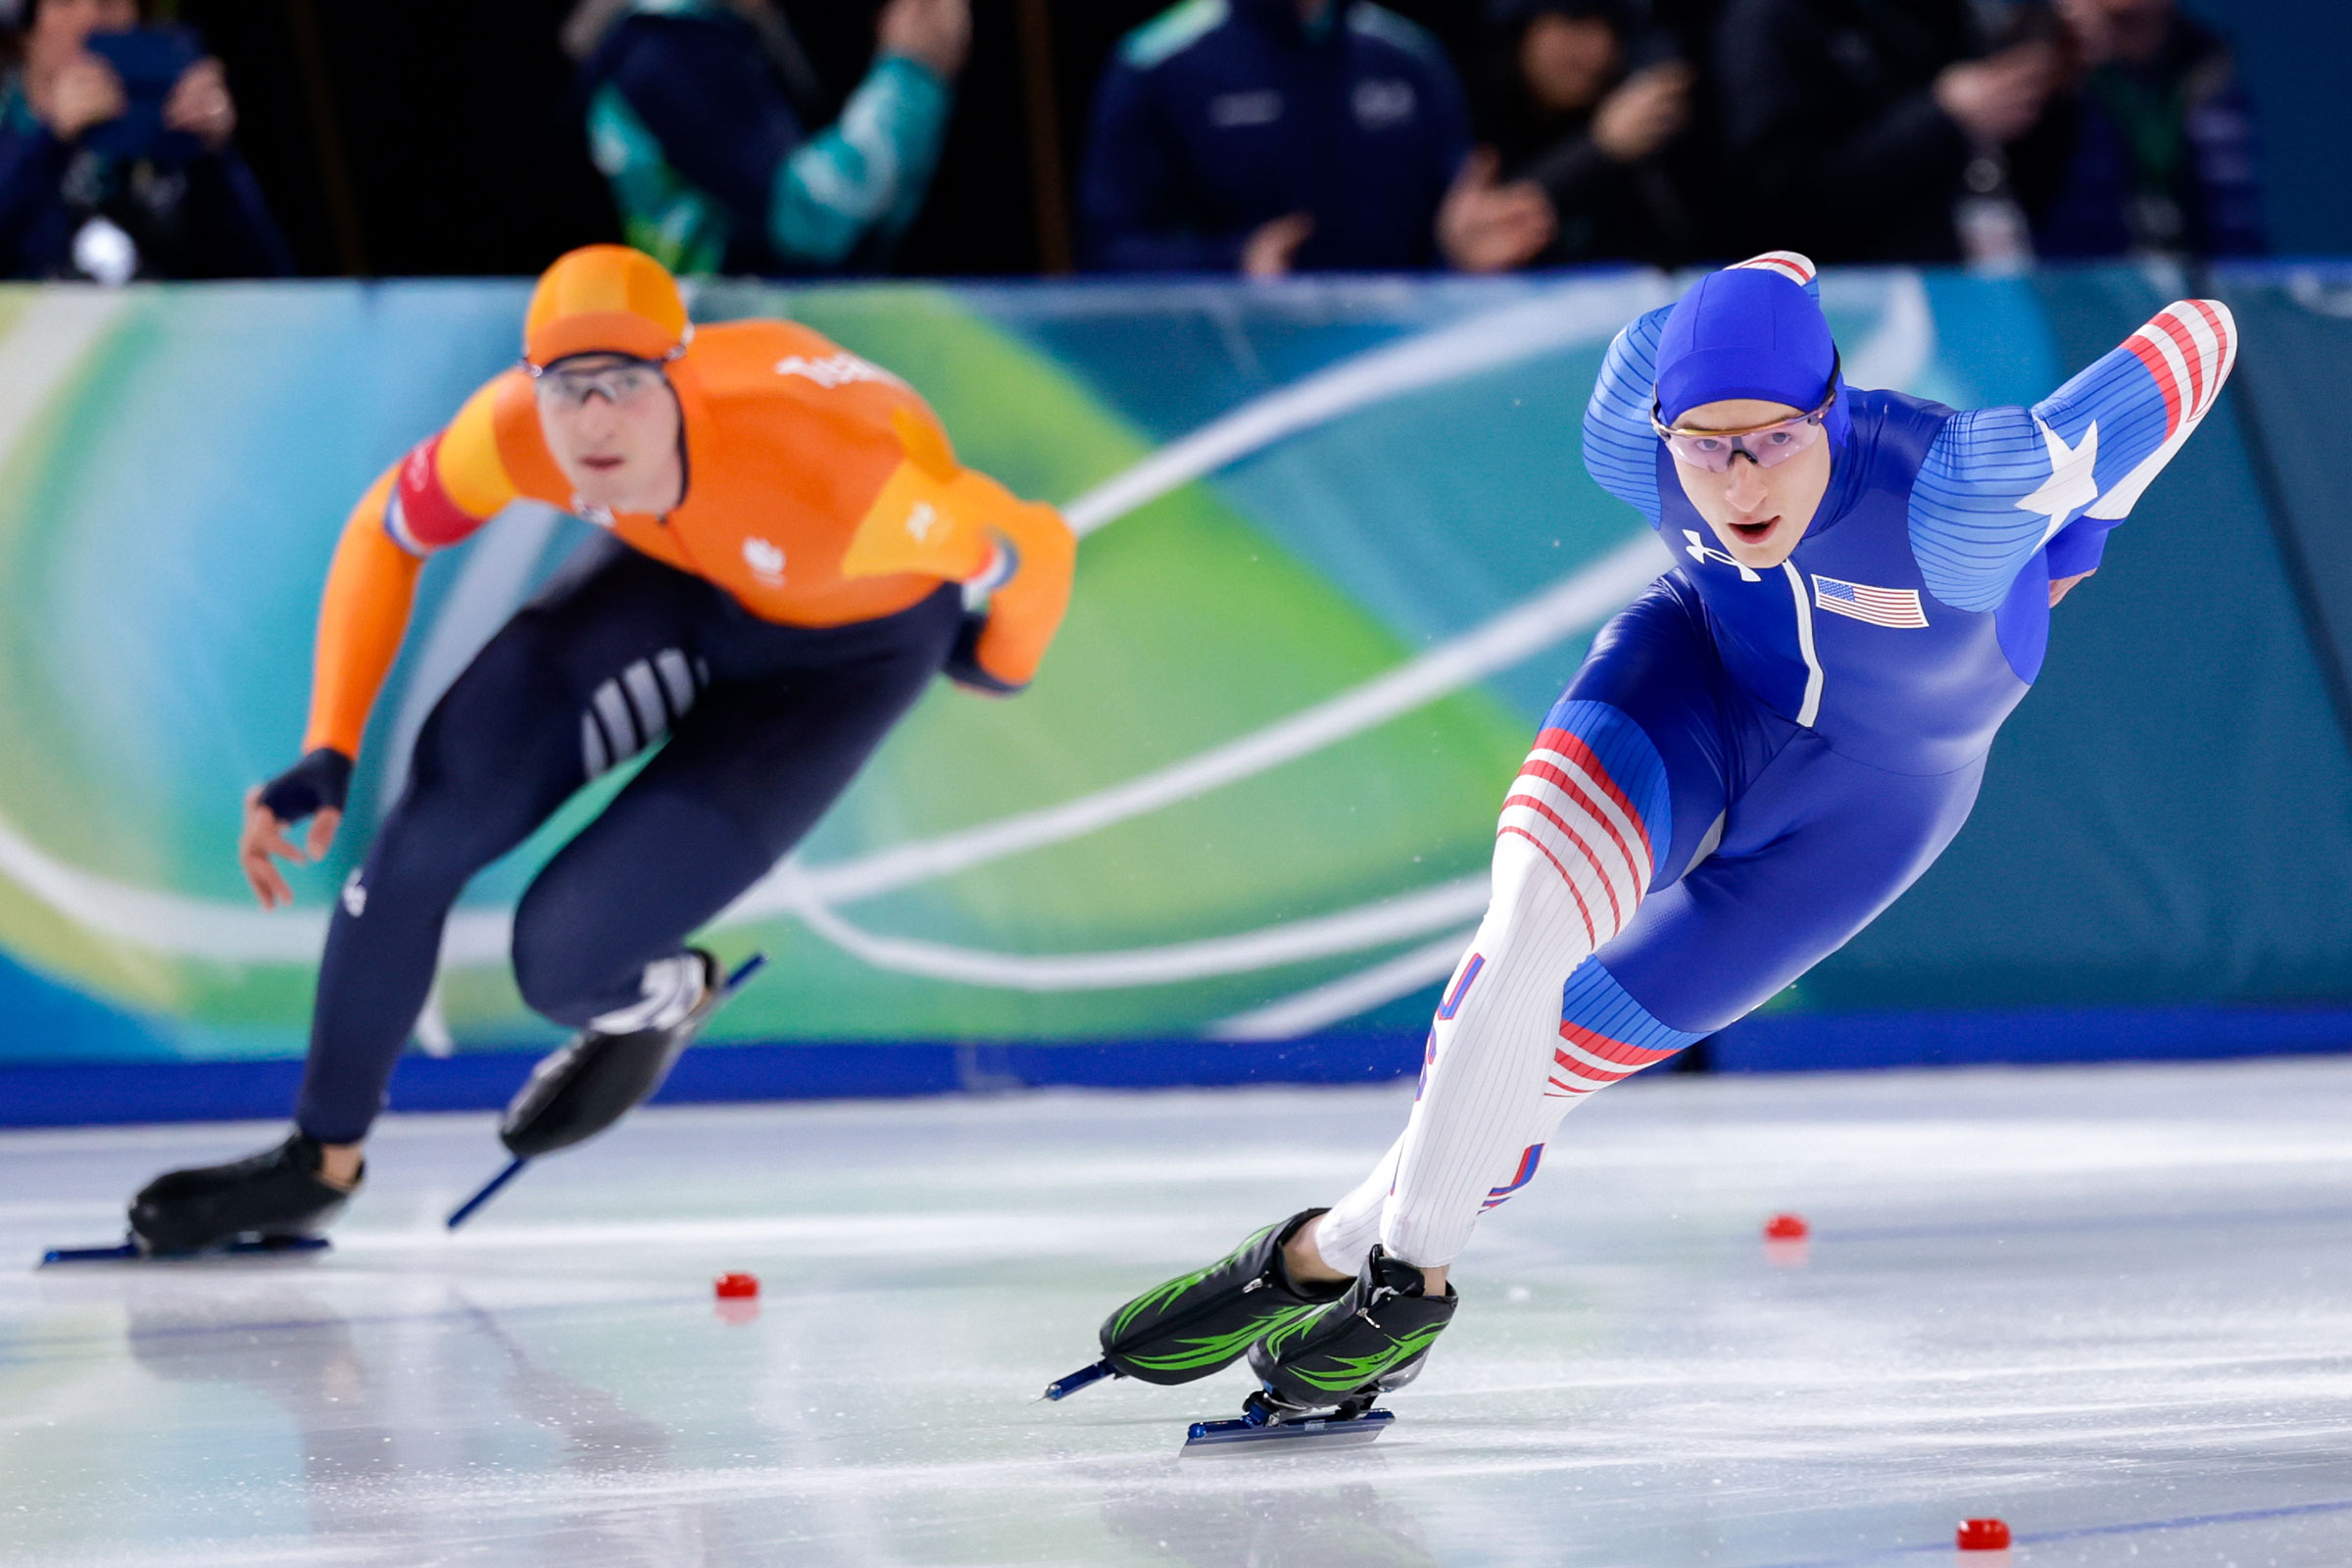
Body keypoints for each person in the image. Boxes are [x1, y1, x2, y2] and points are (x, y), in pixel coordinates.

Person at [1076, 250, 2237, 1421]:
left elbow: (2205, 333)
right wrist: (1772, 275)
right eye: (1706, 444)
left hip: (1871, 804)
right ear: (1662, 429)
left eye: (1776, 438)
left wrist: (2090, 507)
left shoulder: (1964, 492)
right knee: (1526, 926)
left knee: (1538, 1081)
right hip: (1693, 685)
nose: (1738, 481)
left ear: (1832, 406)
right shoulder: (1624, 431)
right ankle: (1411, 1290)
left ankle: (1313, 1258)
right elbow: (1739, 299)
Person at [126, 244, 1075, 1254]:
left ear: (683, 377)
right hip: (676, 578)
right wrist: (330, 745)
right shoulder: (512, 433)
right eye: (566, 389)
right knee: (421, 839)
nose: (593, 421)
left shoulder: (844, 473)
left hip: (845, 657)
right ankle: (319, 1160)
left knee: (561, 959)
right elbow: (385, 530)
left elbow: (1036, 544)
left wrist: (996, 659)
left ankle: (667, 994)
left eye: (625, 385)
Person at [1077, 0, 1553, 276]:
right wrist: (1233, 262)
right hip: (1227, 378)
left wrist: (1456, 252)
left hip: (1388, 368)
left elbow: (1447, 234)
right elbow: (1105, 252)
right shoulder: (1159, 62)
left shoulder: (1408, 57)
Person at [564, 0, 969, 276]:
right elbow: (812, 218)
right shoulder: (666, 46)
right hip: (733, 358)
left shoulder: (730, 34)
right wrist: (910, 76)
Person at [1715, 0, 2062, 264]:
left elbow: (2026, 175)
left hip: (1964, 277)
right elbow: (1780, 198)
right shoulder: (1770, 20)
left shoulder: (1941, 13)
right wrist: (1940, 116)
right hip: (1842, 302)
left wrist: (2055, 88)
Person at [0, 0, 288, 280]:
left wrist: (213, 157)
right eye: (65, 3)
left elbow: (266, 278)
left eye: (109, 3)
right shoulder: (10, 131)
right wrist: (51, 139)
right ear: (26, 28)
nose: (91, 19)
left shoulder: (172, 125)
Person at [2016, 0, 2264, 259]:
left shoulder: (2210, 63)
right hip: (2076, 285)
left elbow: (2234, 223)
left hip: (2197, 284)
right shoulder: (2043, 56)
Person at [1476, 0, 1706, 268]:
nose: (1599, 49)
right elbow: (1494, 220)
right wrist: (1598, 147)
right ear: (1524, 28)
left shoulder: (1627, 101)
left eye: (1610, 27)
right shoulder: (1473, 104)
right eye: (1575, 22)